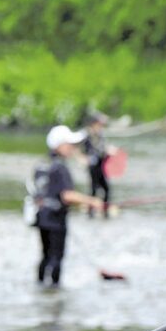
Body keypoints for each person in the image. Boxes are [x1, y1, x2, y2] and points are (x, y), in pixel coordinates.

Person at [31, 125, 105, 286]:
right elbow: (67, 195)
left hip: (41, 217)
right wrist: (93, 201)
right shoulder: (60, 167)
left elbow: (43, 192)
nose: (73, 147)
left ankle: (41, 287)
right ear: (59, 145)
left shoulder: (41, 164)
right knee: (56, 256)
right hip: (56, 219)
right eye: (69, 144)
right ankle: (54, 289)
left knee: (45, 255)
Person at [80, 112, 120, 218]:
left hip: (101, 165)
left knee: (106, 189)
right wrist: (83, 158)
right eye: (99, 123)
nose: (101, 126)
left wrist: (109, 151)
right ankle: (91, 212)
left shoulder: (100, 134)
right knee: (94, 189)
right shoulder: (87, 135)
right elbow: (88, 150)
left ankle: (105, 210)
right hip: (93, 166)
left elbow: (102, 148)